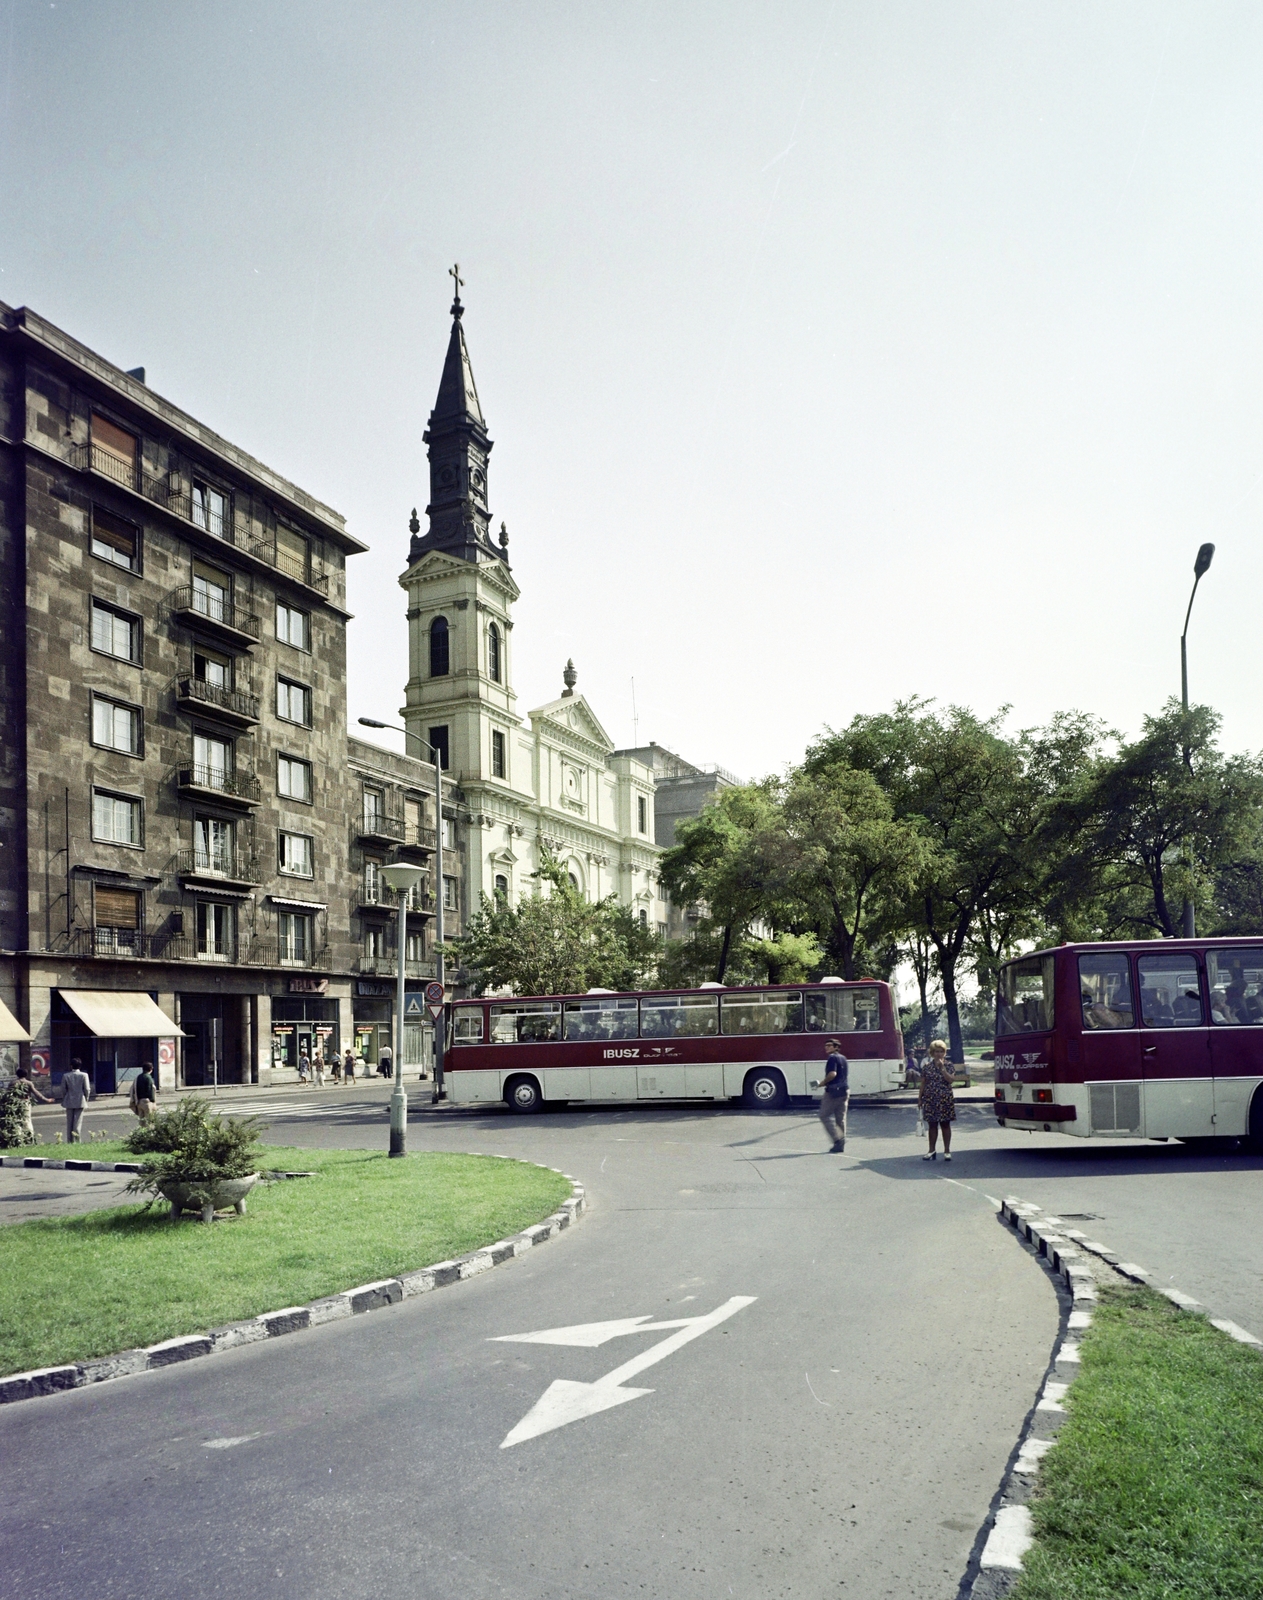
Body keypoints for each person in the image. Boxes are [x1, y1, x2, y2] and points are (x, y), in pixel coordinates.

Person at [918, 1040, 956, 1161]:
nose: (939, 1054)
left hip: (945, 1098)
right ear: (932, 1053)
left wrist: (942, 1069)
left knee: (945, 1124)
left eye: (941, 1051)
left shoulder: (949, 1065)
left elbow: (950, 1080)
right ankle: (931, 1150)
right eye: (936, 1052)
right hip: (930, 1098)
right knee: (932, 1125)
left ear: (944, 1053)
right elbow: (923, 1083)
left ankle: (947, 1150)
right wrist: (920, 1099)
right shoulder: (927, 1067)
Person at [811, 1039, 849, 1154]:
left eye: (829, 1045)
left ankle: (837, 1140)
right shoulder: (843, 1058)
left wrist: (821, 1083)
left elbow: (833, 1074)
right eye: (825, 1045)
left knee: (823, 1115)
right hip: (844, 1090)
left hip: (833, 1092)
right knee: (840, 1118)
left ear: (836, 1047)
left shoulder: (832, 1058)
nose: (826, 1047)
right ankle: (841, 1142)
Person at [12, 1063, 52, 1139]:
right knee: (27, 1119)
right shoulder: (29, 1083)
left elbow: (8, 1093)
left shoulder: (13, 1083)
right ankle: (30, 1137)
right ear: (26, 1075)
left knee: (17, 1120)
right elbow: (36, 1093)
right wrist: (46, 1099)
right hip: (25, 1102)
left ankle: (18, 1137)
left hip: (15, 1103)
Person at [57, 1057, 92, 1144]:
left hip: (69, 1100)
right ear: (80, 1066)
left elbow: (63, 1089)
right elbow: (87, 1089)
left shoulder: (66, 1075)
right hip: (80, 1100)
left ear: (71, 1066)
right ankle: (77, 1140)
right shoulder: (84, 1075)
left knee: (69, 1123)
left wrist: (64, 1097)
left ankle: (70, 1141)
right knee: (77, 1123)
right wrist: (86, 1099)